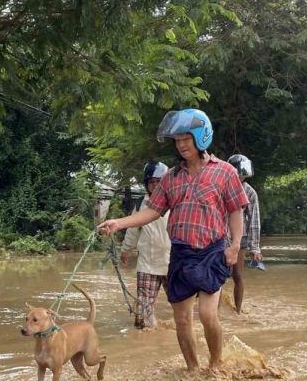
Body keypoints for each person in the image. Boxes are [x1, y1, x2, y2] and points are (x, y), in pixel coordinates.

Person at [98, 109, 248, 372]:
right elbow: (153, 211)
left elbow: (236, 210)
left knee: (207, 314)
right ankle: (192, 369)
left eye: (185, 139)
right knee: (181, 320)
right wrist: (119, 222)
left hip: (212, 252)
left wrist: (235, 245)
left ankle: (215, 365)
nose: (180, 145)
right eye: (177, 141)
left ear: (201, 137)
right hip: (179, 254)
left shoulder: (224, 172)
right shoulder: (170, 178)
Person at [120, 160, 170, 329]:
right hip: (147, 264)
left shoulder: (176, 201)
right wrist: (126, 250)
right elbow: (133, 228)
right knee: (142, 313)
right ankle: (145, 336)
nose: (155, 186)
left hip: (173, 262)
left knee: (181, 305)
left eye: (159, 182)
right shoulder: (141, 203)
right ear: (146, 185)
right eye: (151, 183)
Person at [226, 154, 262, 314]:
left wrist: (255, 249)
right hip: (219, 236)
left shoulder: (250, 192)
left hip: (240, 238)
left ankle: (238, 312)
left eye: (242, 175)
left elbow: (254, 221)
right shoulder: (221, 187)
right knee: (216, 276)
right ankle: (215, 312)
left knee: (237, 276)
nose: (240, 177)